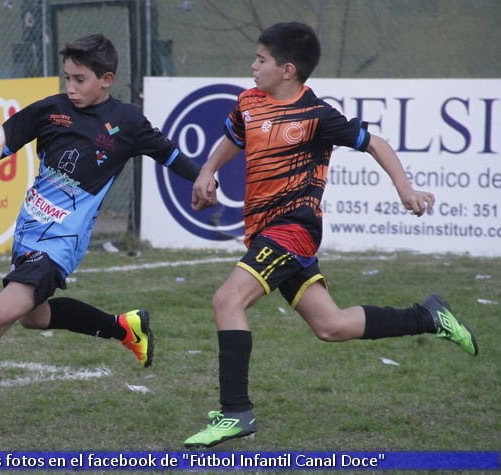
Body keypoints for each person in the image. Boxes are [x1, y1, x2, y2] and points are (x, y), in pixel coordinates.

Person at [0, 33, 203, 427]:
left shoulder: (128, 123)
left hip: (61, 242)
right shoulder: (51, 110)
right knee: (33, 318)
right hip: (29, 230)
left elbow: (171, 155)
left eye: (80, 79)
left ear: (107, 79)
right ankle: (124, 328)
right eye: (67, 77)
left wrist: (204, 180)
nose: (71, 87)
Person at [185, 21, 479, 448]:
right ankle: (429, 316)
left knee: (227, 300)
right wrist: (208, 172)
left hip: (293, 230)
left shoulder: (316, 115)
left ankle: (236, 413)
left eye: (260, 59)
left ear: (287, 69)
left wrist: (405, 189)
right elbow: (234, 136)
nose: (253, 66)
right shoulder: (249, 101)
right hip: (264, 231)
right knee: (332, 325)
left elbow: (374, 142)